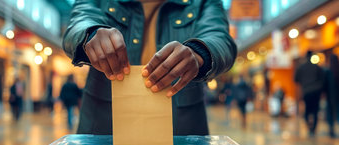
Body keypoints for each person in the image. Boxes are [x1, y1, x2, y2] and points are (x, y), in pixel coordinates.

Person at [63, 0, 237, 135]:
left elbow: (220, 38)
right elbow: (79, 22)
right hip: (103, 130)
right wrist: (90, 34)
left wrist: (199, 53)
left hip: (182, 134)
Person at [294, 51, 325, 137]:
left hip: (307, 91)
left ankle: (309, 126)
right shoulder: (317, 67)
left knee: (307, 110)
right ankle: (313, 128)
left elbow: (296, 79)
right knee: (315, 111)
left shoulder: (301, 67)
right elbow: (322, 80)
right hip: (316, 92)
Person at [324, 54, 339, 139]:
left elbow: (325, 85)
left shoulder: (327, 71)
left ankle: (331, 130)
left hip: (330, 97)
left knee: (330, 114)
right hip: (338, 97)